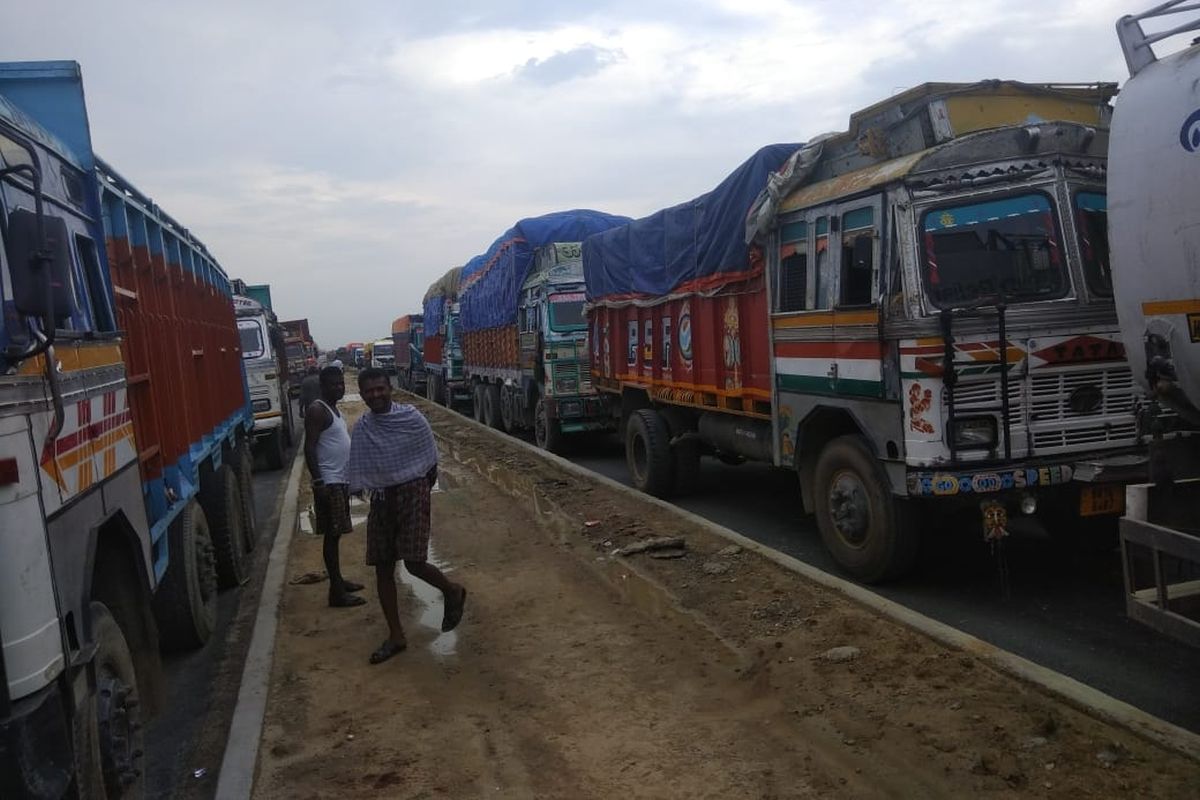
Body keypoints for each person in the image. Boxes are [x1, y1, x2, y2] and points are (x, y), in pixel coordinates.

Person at [348, 367, 467, 664]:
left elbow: (430, 460)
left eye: (380, 389)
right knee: (382, 567)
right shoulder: (363, 428)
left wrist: (416, 492)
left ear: (390, 388)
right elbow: (360, 467)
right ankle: (396, 635)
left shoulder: (412, 419)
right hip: (381, 499)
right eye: (369, 391)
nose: (375, 395)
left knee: (414, 562)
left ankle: (452, 591)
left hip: (413, 493)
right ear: (362, 395)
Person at [304, 366, 366, 608]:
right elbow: (309, 448)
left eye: (341, 383)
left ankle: (339, 581)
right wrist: (318, 481)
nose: (339, 387)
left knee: (337, 533)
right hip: (329, 483)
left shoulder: (333, 410)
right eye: (333, 384)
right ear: (323, 386)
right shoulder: (317, 410)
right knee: (332, 535)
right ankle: (336, 593)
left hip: (339, 481)